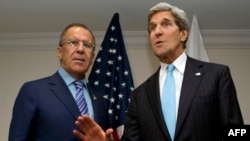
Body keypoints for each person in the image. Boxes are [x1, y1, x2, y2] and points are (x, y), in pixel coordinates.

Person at [73, 2, 244, 141]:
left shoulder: (216, 75)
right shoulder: (140, 95)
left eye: (165, 24)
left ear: (183, 34)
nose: (157, 32)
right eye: (152, 28)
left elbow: (237, 131)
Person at [9, 23, 108, 141]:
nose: (80, 49)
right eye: (73, 42)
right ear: (59, 52)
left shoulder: (101, 101)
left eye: (87, 45)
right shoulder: (33, 90)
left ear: (92, 57)